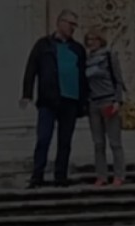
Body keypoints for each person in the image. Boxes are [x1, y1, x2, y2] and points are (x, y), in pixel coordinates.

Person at [20, 9, 89, 188]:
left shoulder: (78, 48)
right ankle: (37, 175)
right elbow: (31, 68)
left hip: (70, 100)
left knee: (65, 141)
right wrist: (27, 94)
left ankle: (61, 175)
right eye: (69, 23)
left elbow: (83, 75)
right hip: (48, 99)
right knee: (43, 138)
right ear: (59, 23)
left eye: (75, 25)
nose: (72, 28)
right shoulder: (43, 45)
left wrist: (84, 101)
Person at [83, 29, 127, 186]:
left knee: (114, 142)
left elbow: (118, 79)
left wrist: (117, 101)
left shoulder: (109, 55)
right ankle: (101, 176)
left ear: (100, 40)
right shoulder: (87, 59)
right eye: (88, 39)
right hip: (93, 103)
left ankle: (119, 175)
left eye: (93, 38)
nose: (90, 42)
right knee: (98, 143)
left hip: (108, 101)